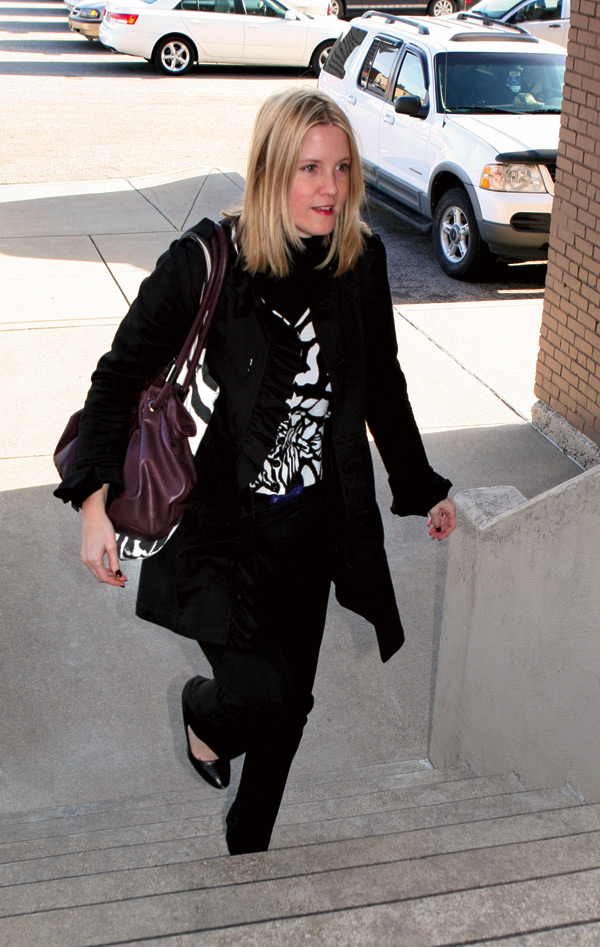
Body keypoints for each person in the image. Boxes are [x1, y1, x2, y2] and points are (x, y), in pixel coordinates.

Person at [55, 88, 456, 856]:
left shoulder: (360, 260)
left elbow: (382, 383)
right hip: (215, 527)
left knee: (291, 702)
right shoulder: (207, 261)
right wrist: (93, 501)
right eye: (310, 168)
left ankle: (250, 848)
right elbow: (118, 377)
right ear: (271, 170)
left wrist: (421, 486)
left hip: (310, 523)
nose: (331, 188)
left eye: (342, 168)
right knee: (258, 693)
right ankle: (205, 714)